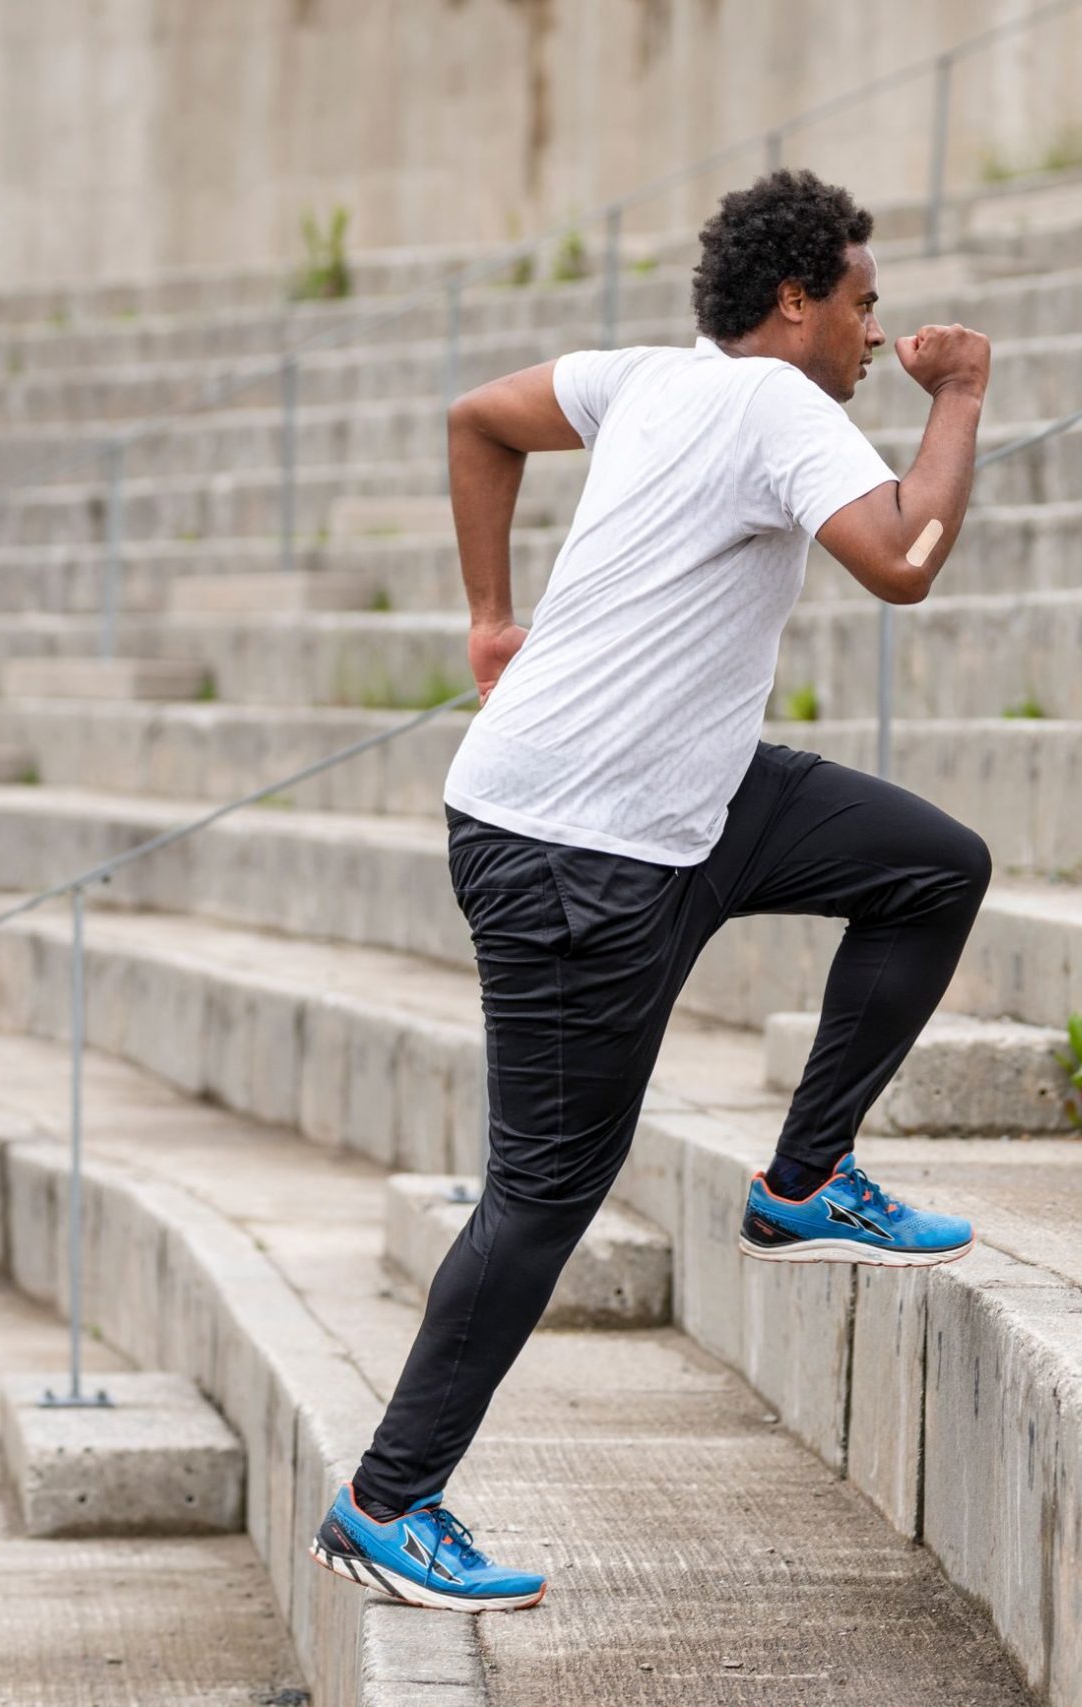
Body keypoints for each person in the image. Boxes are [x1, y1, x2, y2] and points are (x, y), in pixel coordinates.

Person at [310, 170, 993, 1613]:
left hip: (686, 797)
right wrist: (961, 398)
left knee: (932, 868)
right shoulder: (777, 405)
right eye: (863, 304)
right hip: (576, 846)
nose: (876, 333)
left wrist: (491, 615)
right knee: (547, 1189)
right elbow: (905, 561)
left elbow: (479, 419)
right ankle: (389, 1501)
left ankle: (807, 1181)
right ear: (795, 301)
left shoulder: (645, 381)